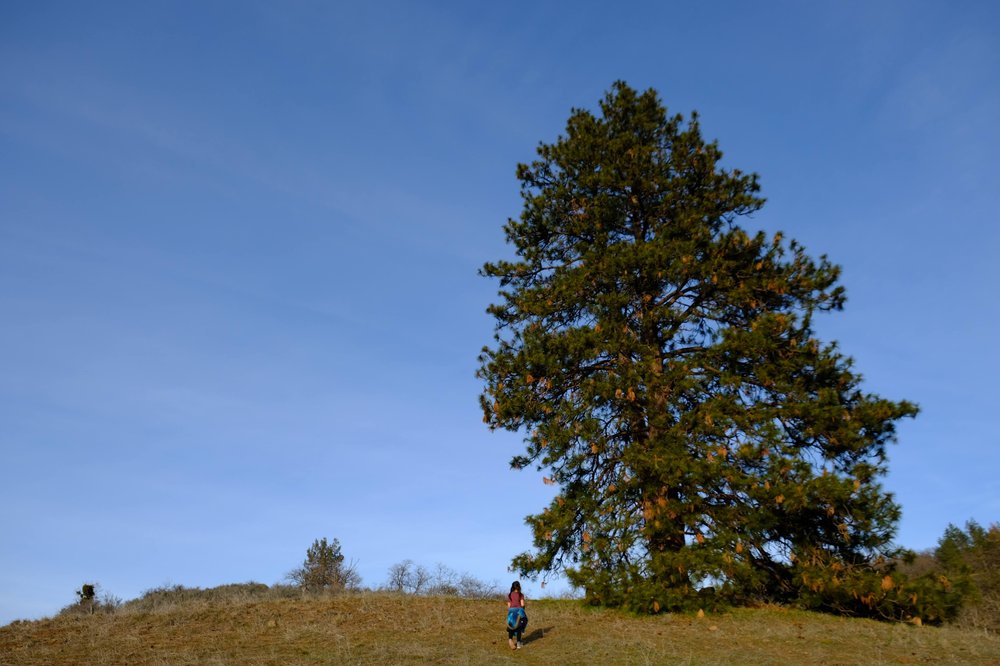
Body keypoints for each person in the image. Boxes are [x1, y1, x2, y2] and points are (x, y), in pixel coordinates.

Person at [506, 581, 528, 650]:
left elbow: (508, 606)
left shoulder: (509, 595)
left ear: (512, 587)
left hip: (511, 611)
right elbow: (522, 605)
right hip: (519, 610)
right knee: (523, 621)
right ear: (519, 586)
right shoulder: (521, 594)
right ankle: (519, 642)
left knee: (512, 625)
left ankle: (510, 639)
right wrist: (523, 609)